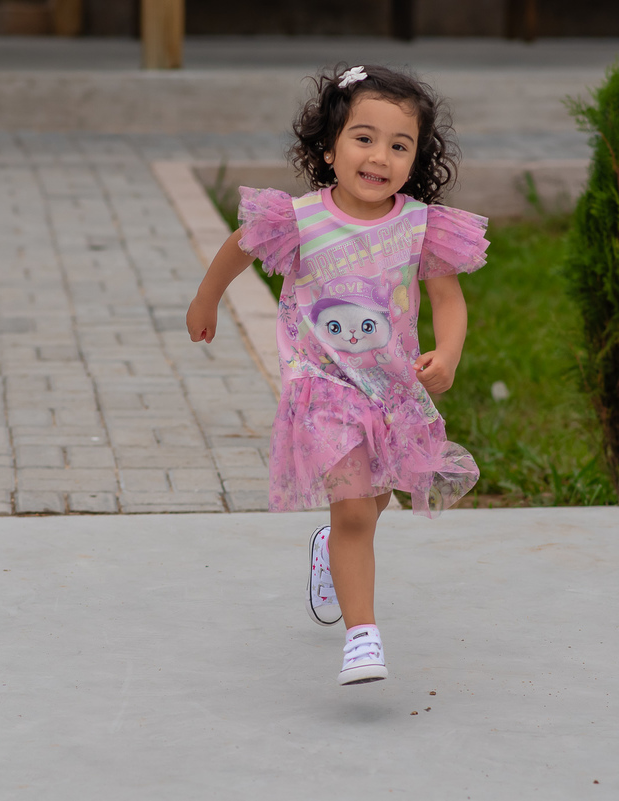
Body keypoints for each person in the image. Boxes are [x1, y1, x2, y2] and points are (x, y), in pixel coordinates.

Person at [186, 64, 488, 686]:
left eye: (399, 145)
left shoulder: (419, 226)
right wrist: (207, 299)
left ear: (415, 159)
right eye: (364, 138)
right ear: (329, 147)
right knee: (355, 511)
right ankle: (363, 637)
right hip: (320, 387)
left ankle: (330, 550)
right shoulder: (300, 219)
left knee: (373, 501)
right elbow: (239, 247)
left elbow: (448, 300)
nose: (380, 156)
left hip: (390, 389)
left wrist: (449, 352)